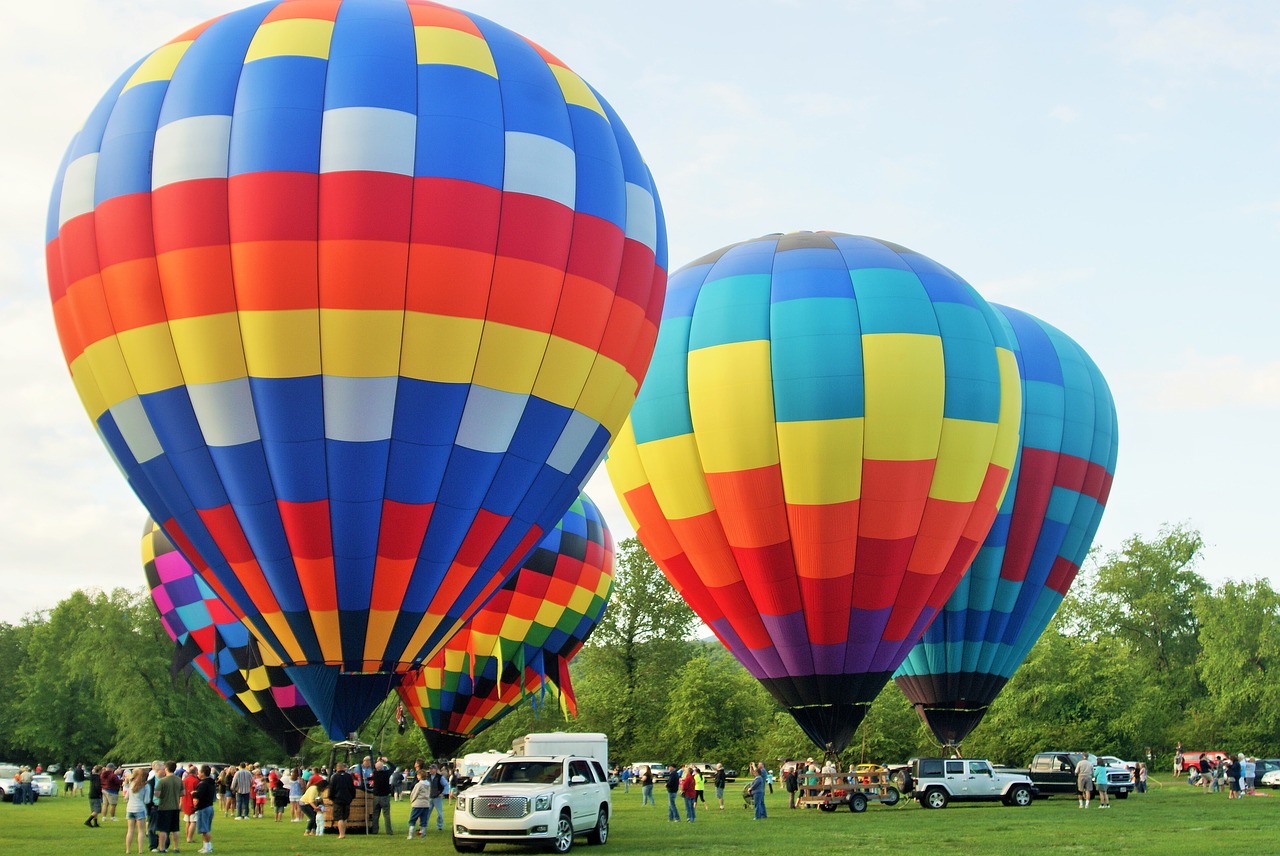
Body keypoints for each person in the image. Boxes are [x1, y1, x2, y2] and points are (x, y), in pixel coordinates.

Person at [154, 761, 184, 853]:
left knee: (163, 829)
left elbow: (157, 794)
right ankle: (176, 847)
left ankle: (162, 848)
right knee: (175, 829)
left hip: (164, 807)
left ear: (166, 769)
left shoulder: (162, 781)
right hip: (175, 806)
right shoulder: (179, 780)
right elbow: (183, 793)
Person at [328, 762, 356, 839]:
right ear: (344, 768)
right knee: (345, 816)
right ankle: (344, 832)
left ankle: (341, 834)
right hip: (347, 799)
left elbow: (331, 788)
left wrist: (330, 797)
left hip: (337, 799)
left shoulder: (334, 777)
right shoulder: (348, 776)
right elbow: (352, 788)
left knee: (339, 817)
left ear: (337, 768)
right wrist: (352, 797)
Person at [192, 765, 217, 854]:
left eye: (199, 771)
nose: (198, 773)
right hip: (209, 807)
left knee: (205, 829)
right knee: (205, 829)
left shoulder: (203, 784)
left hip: (204, 808)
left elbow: (199, 795)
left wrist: (193, 793)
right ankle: (205, 846)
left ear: (203, 773)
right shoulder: (211, 783)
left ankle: (208, 847)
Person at [124, 767, 148, 854]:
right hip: (140, 808)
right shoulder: (145, 786)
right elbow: (147, 800)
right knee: (141, 830)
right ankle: (140, 850)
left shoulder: (131, 784)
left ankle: (128, 850)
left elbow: (126, 797)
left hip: (130, 808)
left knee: (130, 830)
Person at [370, 758, 394, 834]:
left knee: (375, 815)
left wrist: (377, 761)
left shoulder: (375, 774)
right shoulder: (386, 773)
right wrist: (387, 760)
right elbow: (393, 767)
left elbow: (374, 767)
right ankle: (389, 831)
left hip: (376, 796)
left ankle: (374, 830)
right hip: (385, 796)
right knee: (386, 814)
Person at [424, 763, 447, 832]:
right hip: (430, 797)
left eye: (432, 768)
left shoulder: (440, 777)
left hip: (437, 797)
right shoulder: (427, 777)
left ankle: (440, 826)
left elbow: (446, 785)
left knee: (439, 813)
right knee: (427, 812)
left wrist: (443, 793)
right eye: (430, 768)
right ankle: (424, 825)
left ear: (435, 769)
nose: (430, 770)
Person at [406, 770, 430, 839]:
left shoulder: (418, 784)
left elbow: (414, 794)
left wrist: (412, 801)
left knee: (412, 819)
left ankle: (410, 835)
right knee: (423, 819)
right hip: (426, 804)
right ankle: (423, 833)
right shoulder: (428, 784)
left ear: (419, 776)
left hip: (418, 804)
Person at [182, 763, 201, 845]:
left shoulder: (184, 780)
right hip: (192, 803)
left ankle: (187, 837)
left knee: (187, 821)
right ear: (195, 772)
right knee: (193, 821)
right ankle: (190, 838)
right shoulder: (196, 781)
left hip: (185, 802)